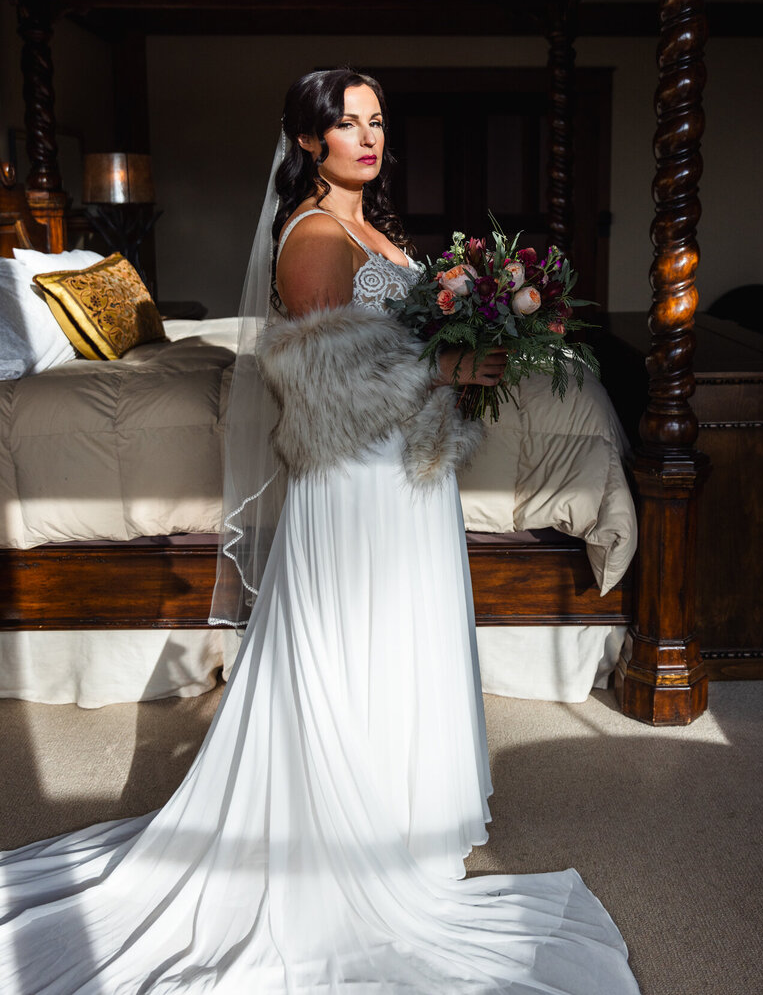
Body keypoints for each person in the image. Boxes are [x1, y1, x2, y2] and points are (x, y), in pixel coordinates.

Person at [0, 68, 639, 993]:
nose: (367, 136)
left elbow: (392, 345)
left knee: (399, 643)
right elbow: (329, 383)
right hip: (357, 483)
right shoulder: (312, 234)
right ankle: (351, 834)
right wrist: (454, 368)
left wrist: (462, 346)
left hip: (401, 476)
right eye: (347, 123)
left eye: (376, 121)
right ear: (308, 140)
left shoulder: (373, 226)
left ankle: (401, 820)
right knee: (358, 645)